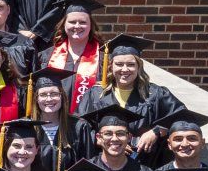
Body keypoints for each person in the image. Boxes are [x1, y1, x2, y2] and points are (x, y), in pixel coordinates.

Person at [74, 36, 183, 164]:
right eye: (119, 64)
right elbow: (79, 125)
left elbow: (180, 116)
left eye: (131, 64)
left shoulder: (155, 94)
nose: (124, 69)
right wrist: (108, 141)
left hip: (144, 165)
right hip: (105, 165)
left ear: (138, 67)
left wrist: (156, 131)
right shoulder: (96, 94)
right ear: (110, 66)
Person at [40, 0, 105, 114]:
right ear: (64, 24)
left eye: (83, 22)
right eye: (72, 22)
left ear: (91, 25)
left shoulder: (103, 59)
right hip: (56, 122)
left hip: (88, 125)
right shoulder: (46, 56)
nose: (77, 26)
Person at [80, 102, 148, 171]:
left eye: (120, 133)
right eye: (108, 133)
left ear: (129, 137)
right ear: (98, 138)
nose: (114, 139)